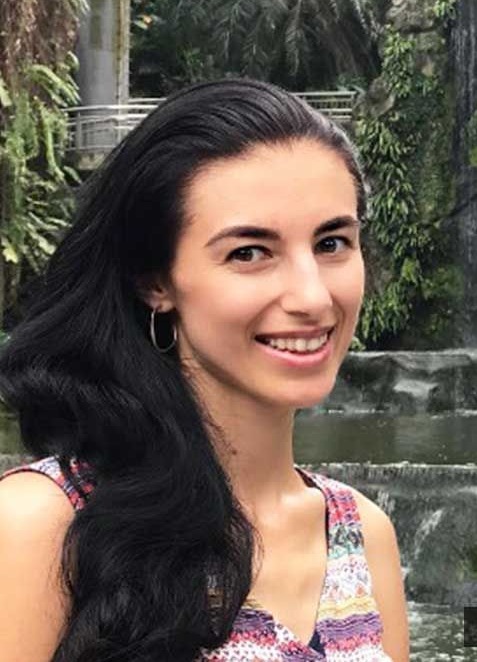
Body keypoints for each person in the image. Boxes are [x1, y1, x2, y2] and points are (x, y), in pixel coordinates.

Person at [0, 79, 409, 661]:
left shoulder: (362, 534)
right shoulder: (43, 525)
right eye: (249, 252)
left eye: (333, 242)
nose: (314, 297)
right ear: (155, 280)